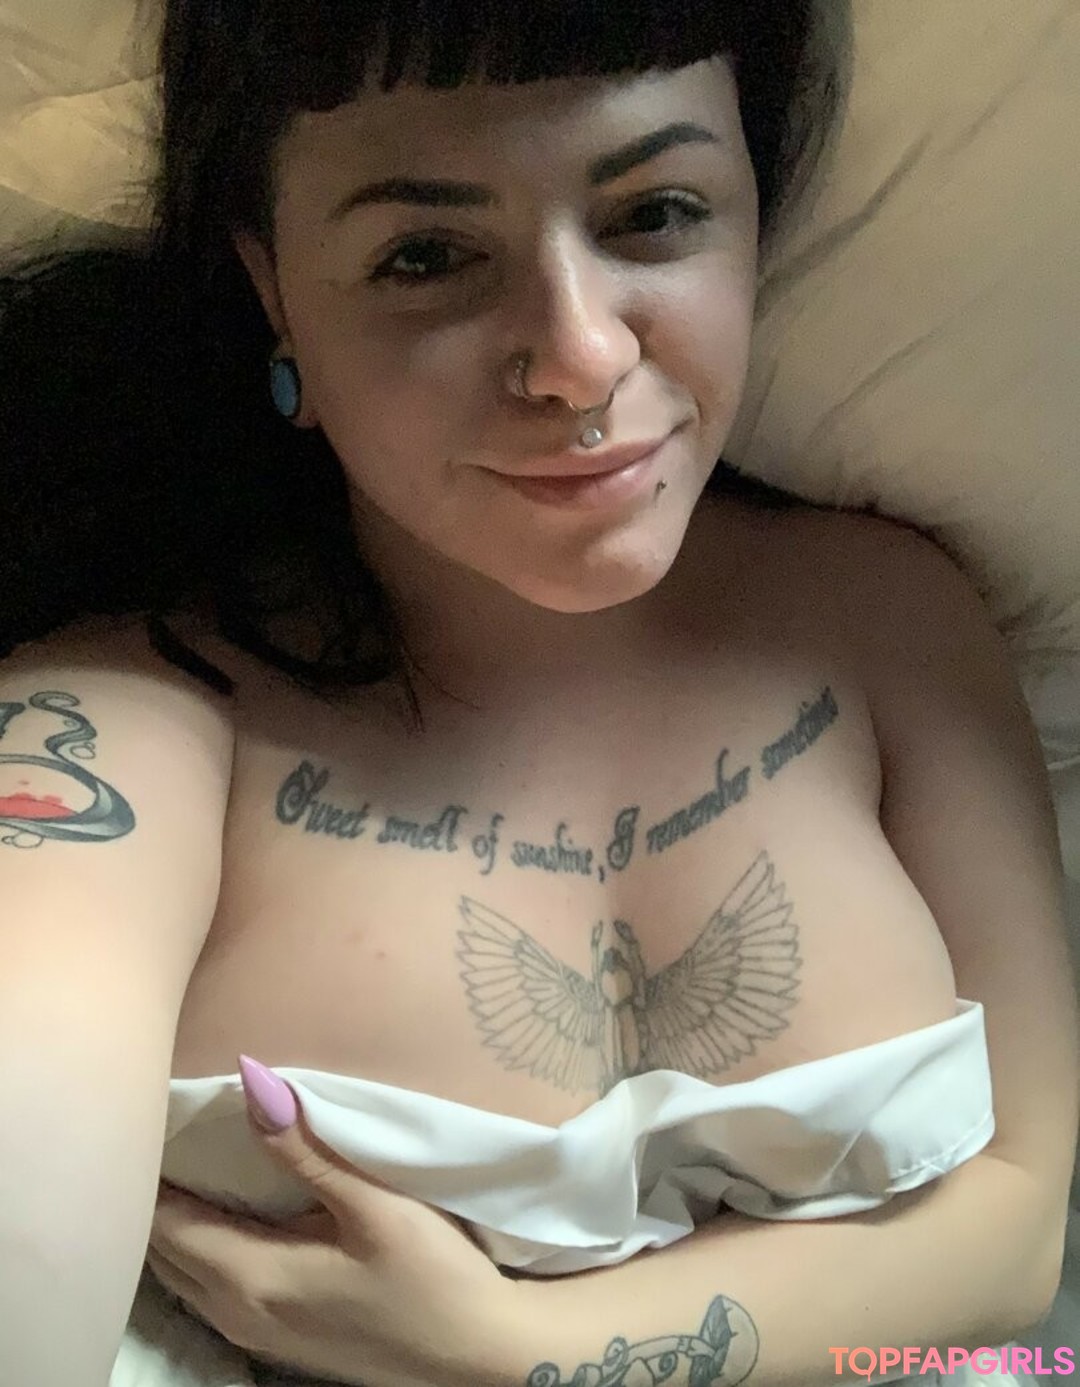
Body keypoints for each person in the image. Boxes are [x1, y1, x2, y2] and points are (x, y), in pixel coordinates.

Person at [0, 3, 1076, 1385]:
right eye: (427, 256)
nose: (579, 358)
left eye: (656, 214)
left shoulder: (892, 620)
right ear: (273, 295)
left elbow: (1018, 1227)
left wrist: (512, 1349)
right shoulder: (131, 721)